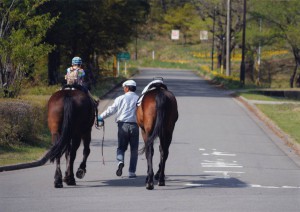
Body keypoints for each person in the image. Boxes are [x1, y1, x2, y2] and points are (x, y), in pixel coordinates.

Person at [98, 80, 139, 178]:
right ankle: (131, 172)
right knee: (134, 150)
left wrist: (100, 117)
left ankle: (120, 162)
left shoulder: (120, 98)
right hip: (135, 126)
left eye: (124, 87)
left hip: (122, 126)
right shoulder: (139, 99)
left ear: (127, 88)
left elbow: (111, 110)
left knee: (121, 148)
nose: (123, 89)